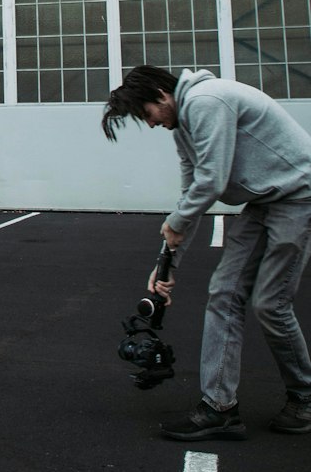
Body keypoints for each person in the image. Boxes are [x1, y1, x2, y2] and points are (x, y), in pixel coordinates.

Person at [102, 64, 311, 439]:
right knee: (224, 293)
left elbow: (211, 180)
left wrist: (176, 222)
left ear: (162, 96)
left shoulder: (206, 101)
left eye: (147, 115)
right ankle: (220, 408)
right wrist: (166, 266)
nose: (150, 124)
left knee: (270, 304)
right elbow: (191, 196)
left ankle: (305, 396)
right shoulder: (183, 125)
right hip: (263, 201)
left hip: (299, 197)